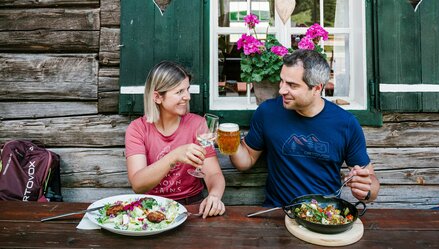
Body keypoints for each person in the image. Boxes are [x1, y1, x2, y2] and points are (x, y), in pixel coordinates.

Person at [230, 49, 380, 207]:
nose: (281, 90)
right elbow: (245, 161)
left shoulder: (346, 124)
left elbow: (371, 183)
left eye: (292, 85)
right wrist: (229, 141)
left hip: (325, 216)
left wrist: (366, 189)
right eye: (282, 81)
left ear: (316, 88)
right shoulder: (268, 112)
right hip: (278, 213)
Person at [125, 61, 226, 218]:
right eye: (179, 92)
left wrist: (214, 196)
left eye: (187, 89)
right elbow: (138, 185)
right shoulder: (138, 129)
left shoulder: (197, 124)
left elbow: (213, 174)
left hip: (192, 207)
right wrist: (174, 156)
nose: (187, 97)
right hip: (152, 209)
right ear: (157, 97)